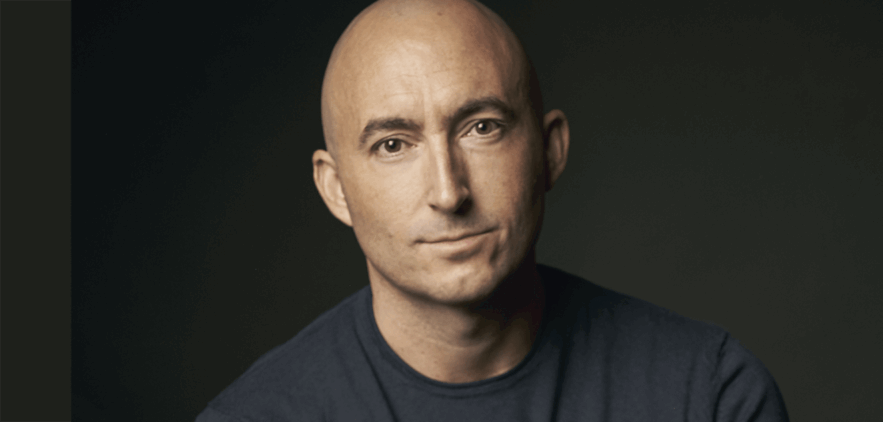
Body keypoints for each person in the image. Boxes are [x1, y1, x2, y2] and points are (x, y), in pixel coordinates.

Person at [196, 0, 789, 420]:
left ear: (550, 151)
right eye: (394, 145)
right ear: (335, 190)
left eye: (482, 128)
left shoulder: (708, 396)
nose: (449, 192)